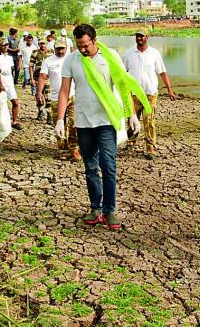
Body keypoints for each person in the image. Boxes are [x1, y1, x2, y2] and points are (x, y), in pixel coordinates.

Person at [55, 24, 150, 231]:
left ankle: (109, 211)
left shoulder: (111, 56)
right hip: (83, 122)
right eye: (79, 45)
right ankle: (95, 209)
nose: (83, 49)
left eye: (86, 45)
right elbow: (64, 91)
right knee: (90, 168)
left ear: (95, 40)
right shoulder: (72, 59)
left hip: (106, 122)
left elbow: (123, 86)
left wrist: (131, 114)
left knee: (108, 167)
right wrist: (60, 119)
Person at [122, 28, 176, 160]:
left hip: (150, 93)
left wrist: (169, 89)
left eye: (141, 36)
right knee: (132, 119)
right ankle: (131, 141)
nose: (139, 38)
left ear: (147, 37)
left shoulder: (154, 53)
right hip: (133, 94)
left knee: (149, 121)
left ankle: (150, 147)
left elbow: (162, 72)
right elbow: (122, 75)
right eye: (137, 36)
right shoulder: (128, 54)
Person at [39, 40, 80, 161]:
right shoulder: (48, 61)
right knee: (59, 124)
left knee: (73, 123)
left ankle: (74, 148)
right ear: (54, 48)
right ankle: (63, 149)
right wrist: (39, 92)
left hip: (73, 95)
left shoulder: (72, 59)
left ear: (66, 47)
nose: (60, 51)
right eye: (58, 48)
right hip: (56, 98)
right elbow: (42, 77)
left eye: (63, 48)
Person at [0, 38, 22, 130]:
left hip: (9, 83)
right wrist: (0, 83)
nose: (5, 47)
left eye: (6, 45)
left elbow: (10, 70)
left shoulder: (10, 57)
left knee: (15, 102)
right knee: (0, 105)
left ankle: (14, 121)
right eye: (3, 45)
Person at [29, 39, 52, 122]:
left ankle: (49, 115)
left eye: (44, 43)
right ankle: (40, 111)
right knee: (39, 97)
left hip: (48, 78)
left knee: (49, 97)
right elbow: (31, 66)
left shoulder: (51, 52)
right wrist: (31, 79)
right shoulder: (35, 52)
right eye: (41, 43)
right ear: (38, 44)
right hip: (38, 78)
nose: (42, 45)